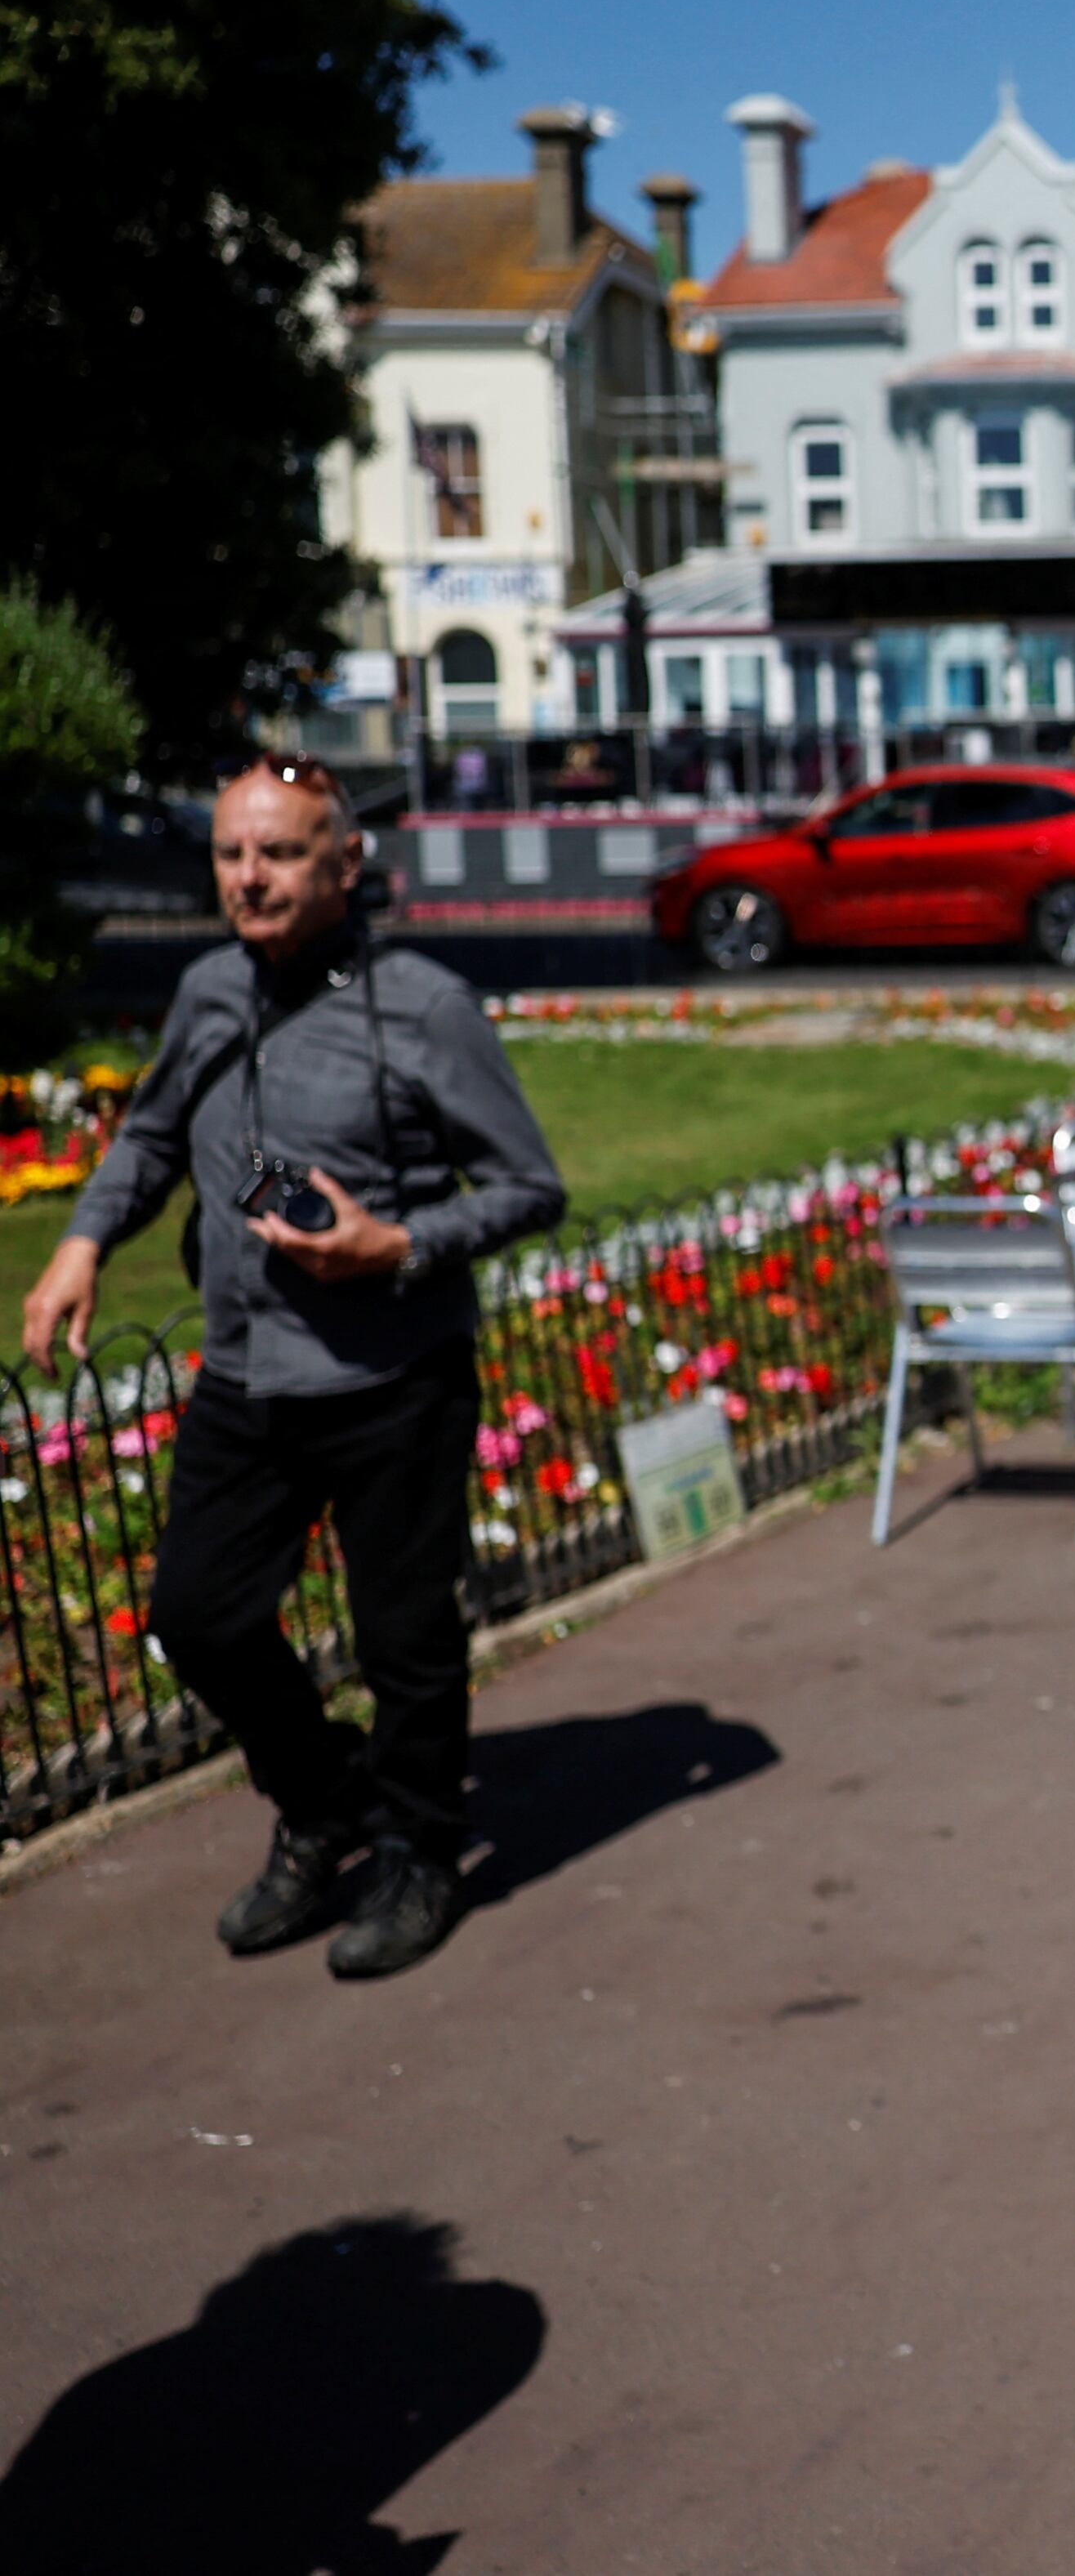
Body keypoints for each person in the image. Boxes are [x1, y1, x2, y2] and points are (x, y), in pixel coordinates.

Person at [18, 761, 564, 1978]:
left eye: (278, 854)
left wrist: (399, 1243)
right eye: (229, 855)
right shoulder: (211, 988)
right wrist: (80, 1244)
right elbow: (157, 1131)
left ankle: (423, 1851)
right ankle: (326, 1804)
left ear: (345, 865)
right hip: (250, 1371)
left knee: (403, 1639)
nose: (248, 878)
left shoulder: (424, 1005)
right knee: (197, 1617)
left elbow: (533, 1187)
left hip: (392, 1373)